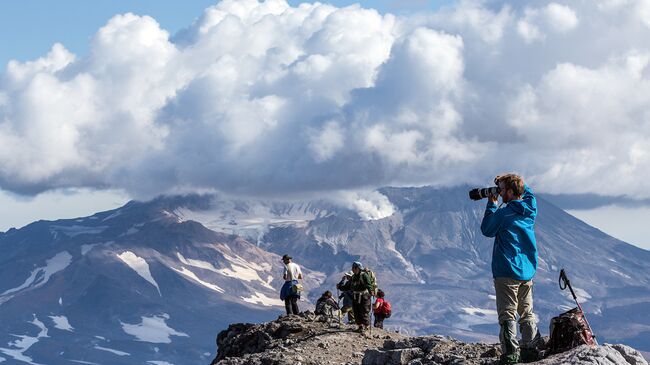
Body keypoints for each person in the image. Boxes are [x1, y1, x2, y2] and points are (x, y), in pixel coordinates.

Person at [480, 174, 540, 365]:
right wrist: (510, 180)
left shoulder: (504, 214)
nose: (500, 192)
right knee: (527, 312)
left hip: (506, 270)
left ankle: (511, 354)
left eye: (503, 189)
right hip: (527, 270)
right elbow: (528, 192)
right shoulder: (530, 209)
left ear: (511, 192)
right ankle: (530, 351)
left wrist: (491, 203)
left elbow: (487, 229)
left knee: (507, 314)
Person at [336, 261, 372, 334]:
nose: (352, 269)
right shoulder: (353, 277)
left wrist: (371, 292)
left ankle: (366, 327)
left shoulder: (364, 275)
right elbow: (347, 287)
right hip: (355, 296)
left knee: (364, 311)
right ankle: (360, 326)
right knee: (356, 312)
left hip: (364, 296)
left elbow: (369, 285)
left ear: (357, 268)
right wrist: (340, 287)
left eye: (353, 268)